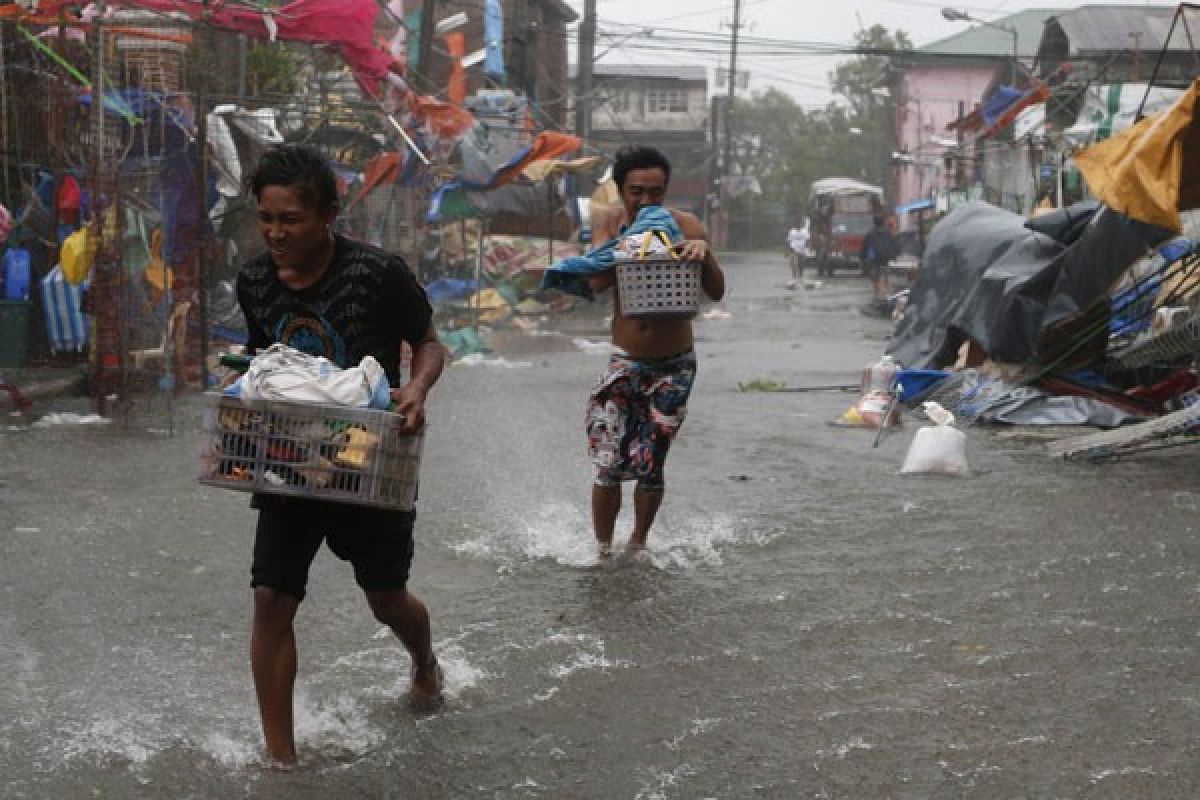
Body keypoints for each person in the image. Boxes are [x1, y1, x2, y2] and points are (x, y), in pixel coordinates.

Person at [235, 143, 446, 766]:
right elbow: (260, 359)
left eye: (290, 220)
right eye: (266, 219)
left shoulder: (379, 274)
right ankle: (282, 760)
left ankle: (424, 659)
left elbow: (430, 344)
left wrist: (415, 386)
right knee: (271, 599)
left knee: (385, 599)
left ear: (327, 215)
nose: (275, 233)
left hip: (371, 459)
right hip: (289, 459)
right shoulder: (252, 279)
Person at [585, 145, 725, 557]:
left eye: (655, 192)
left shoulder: (686, 225)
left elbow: (715, 292)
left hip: (675, 364)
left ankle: (638, 545)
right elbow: (594, 284)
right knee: (608, 462)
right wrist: (626, 246)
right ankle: (602, 550)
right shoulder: (610, 223)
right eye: (637, 192)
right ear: (620, 190)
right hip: (625, 359)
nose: (647, 201)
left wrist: (704, 255)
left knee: (651, 461)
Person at [860, 213, 898, 304]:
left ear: (874, 223)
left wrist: (862, 257)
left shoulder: (870, 233)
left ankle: (877, 293)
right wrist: (895, 256)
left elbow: (865, 246)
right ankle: (887, 291)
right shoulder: (888, 232)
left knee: (875, 276)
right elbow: (894, 244)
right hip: (886, 258)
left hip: (875, 259)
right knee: (886, 274)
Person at [785, 218, 810, 285]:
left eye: (799, 224)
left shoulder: (805, 231)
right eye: (796, 225)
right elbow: (788, 241)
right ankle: (794, 278)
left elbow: (807, 240)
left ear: (801, 225)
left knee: (802, 264)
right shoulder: (792, 231)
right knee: (793, 264)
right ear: (795, 225)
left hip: (802, 250)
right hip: (793, 250)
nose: (798, 226)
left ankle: (801, 277)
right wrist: (787, 251)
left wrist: (807, 249)